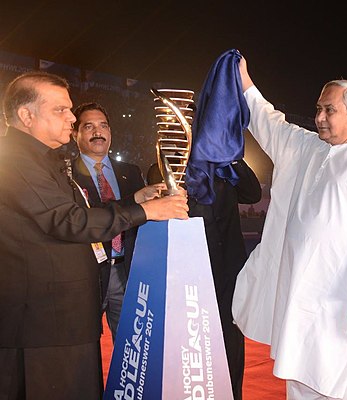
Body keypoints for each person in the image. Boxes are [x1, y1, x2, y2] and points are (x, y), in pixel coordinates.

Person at [0, 71, 189, 400]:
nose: (71, 119)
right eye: (60, 110)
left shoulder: (40, 160)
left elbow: (77, 212)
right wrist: (148, 212)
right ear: (26, 115)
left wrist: (134, 201)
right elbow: (69, 220)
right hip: (44, 327)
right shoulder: (17, 161)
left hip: (59, 320)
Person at [231, 56, 347, 399]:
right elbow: (268, 121)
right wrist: (244, 81)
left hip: (343, 299)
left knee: (341, 381)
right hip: (300, 293)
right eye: (319, 109)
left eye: (329, 110)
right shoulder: (306, 147)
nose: (320, 117)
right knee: (298, 371)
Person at [147, 158, 262, 400]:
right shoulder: (164, 167)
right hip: (187, 273)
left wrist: (232, 157)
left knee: (230, 345)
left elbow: (252, 194)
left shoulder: (226, 166)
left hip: (228, 272)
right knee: (191, 347)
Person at [71, 102, 158, 342]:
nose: (98, 132)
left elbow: (144, 217)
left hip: (126, 271)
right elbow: (85, 218)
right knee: (83, 347)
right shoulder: (66, 175)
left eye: (103, 126)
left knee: (131, 346)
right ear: (74, 134)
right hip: (87, 275)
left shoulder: (130, 171)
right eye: (88, 127)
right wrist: (134, 200)